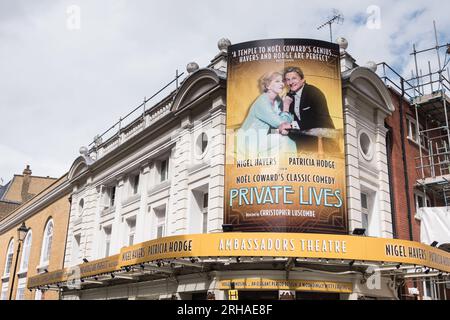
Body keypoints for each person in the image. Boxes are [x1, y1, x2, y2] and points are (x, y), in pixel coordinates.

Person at [236, 71, 296, 159]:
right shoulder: (262, 102)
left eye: (282, 81)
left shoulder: (277, 101)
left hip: (262, 137)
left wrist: (280, 130)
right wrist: (286, 106)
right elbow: (283, 123)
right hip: (248, 142)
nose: (282, 84)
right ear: (268, 86)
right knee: (284, 140)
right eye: (277, 81)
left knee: (289, 141)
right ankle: (286, 167)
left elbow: (282, 126)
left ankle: (288, 168)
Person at [283, 66, 338, 153]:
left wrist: (292, 125)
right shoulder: (289, 99)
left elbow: (318, 120)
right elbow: (285, 122)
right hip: (303, 145)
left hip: (324, 144)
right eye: (288, 79)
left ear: (302, 79)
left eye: (294, 78)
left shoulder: (314, 92)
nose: (291, 82)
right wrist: (285, 105)